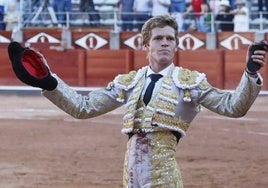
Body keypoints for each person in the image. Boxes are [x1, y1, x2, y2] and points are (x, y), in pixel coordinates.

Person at [7, 15, 268, 187]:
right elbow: (82, 107)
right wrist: (50, 83)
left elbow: (234, 107)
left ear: (176, 46)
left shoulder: (190, 81)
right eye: (158, 38)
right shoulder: (129, 81)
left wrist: (250, 74)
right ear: (146, 45)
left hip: (164, 178)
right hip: (129, 177)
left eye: (170, 39)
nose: (165, 43)